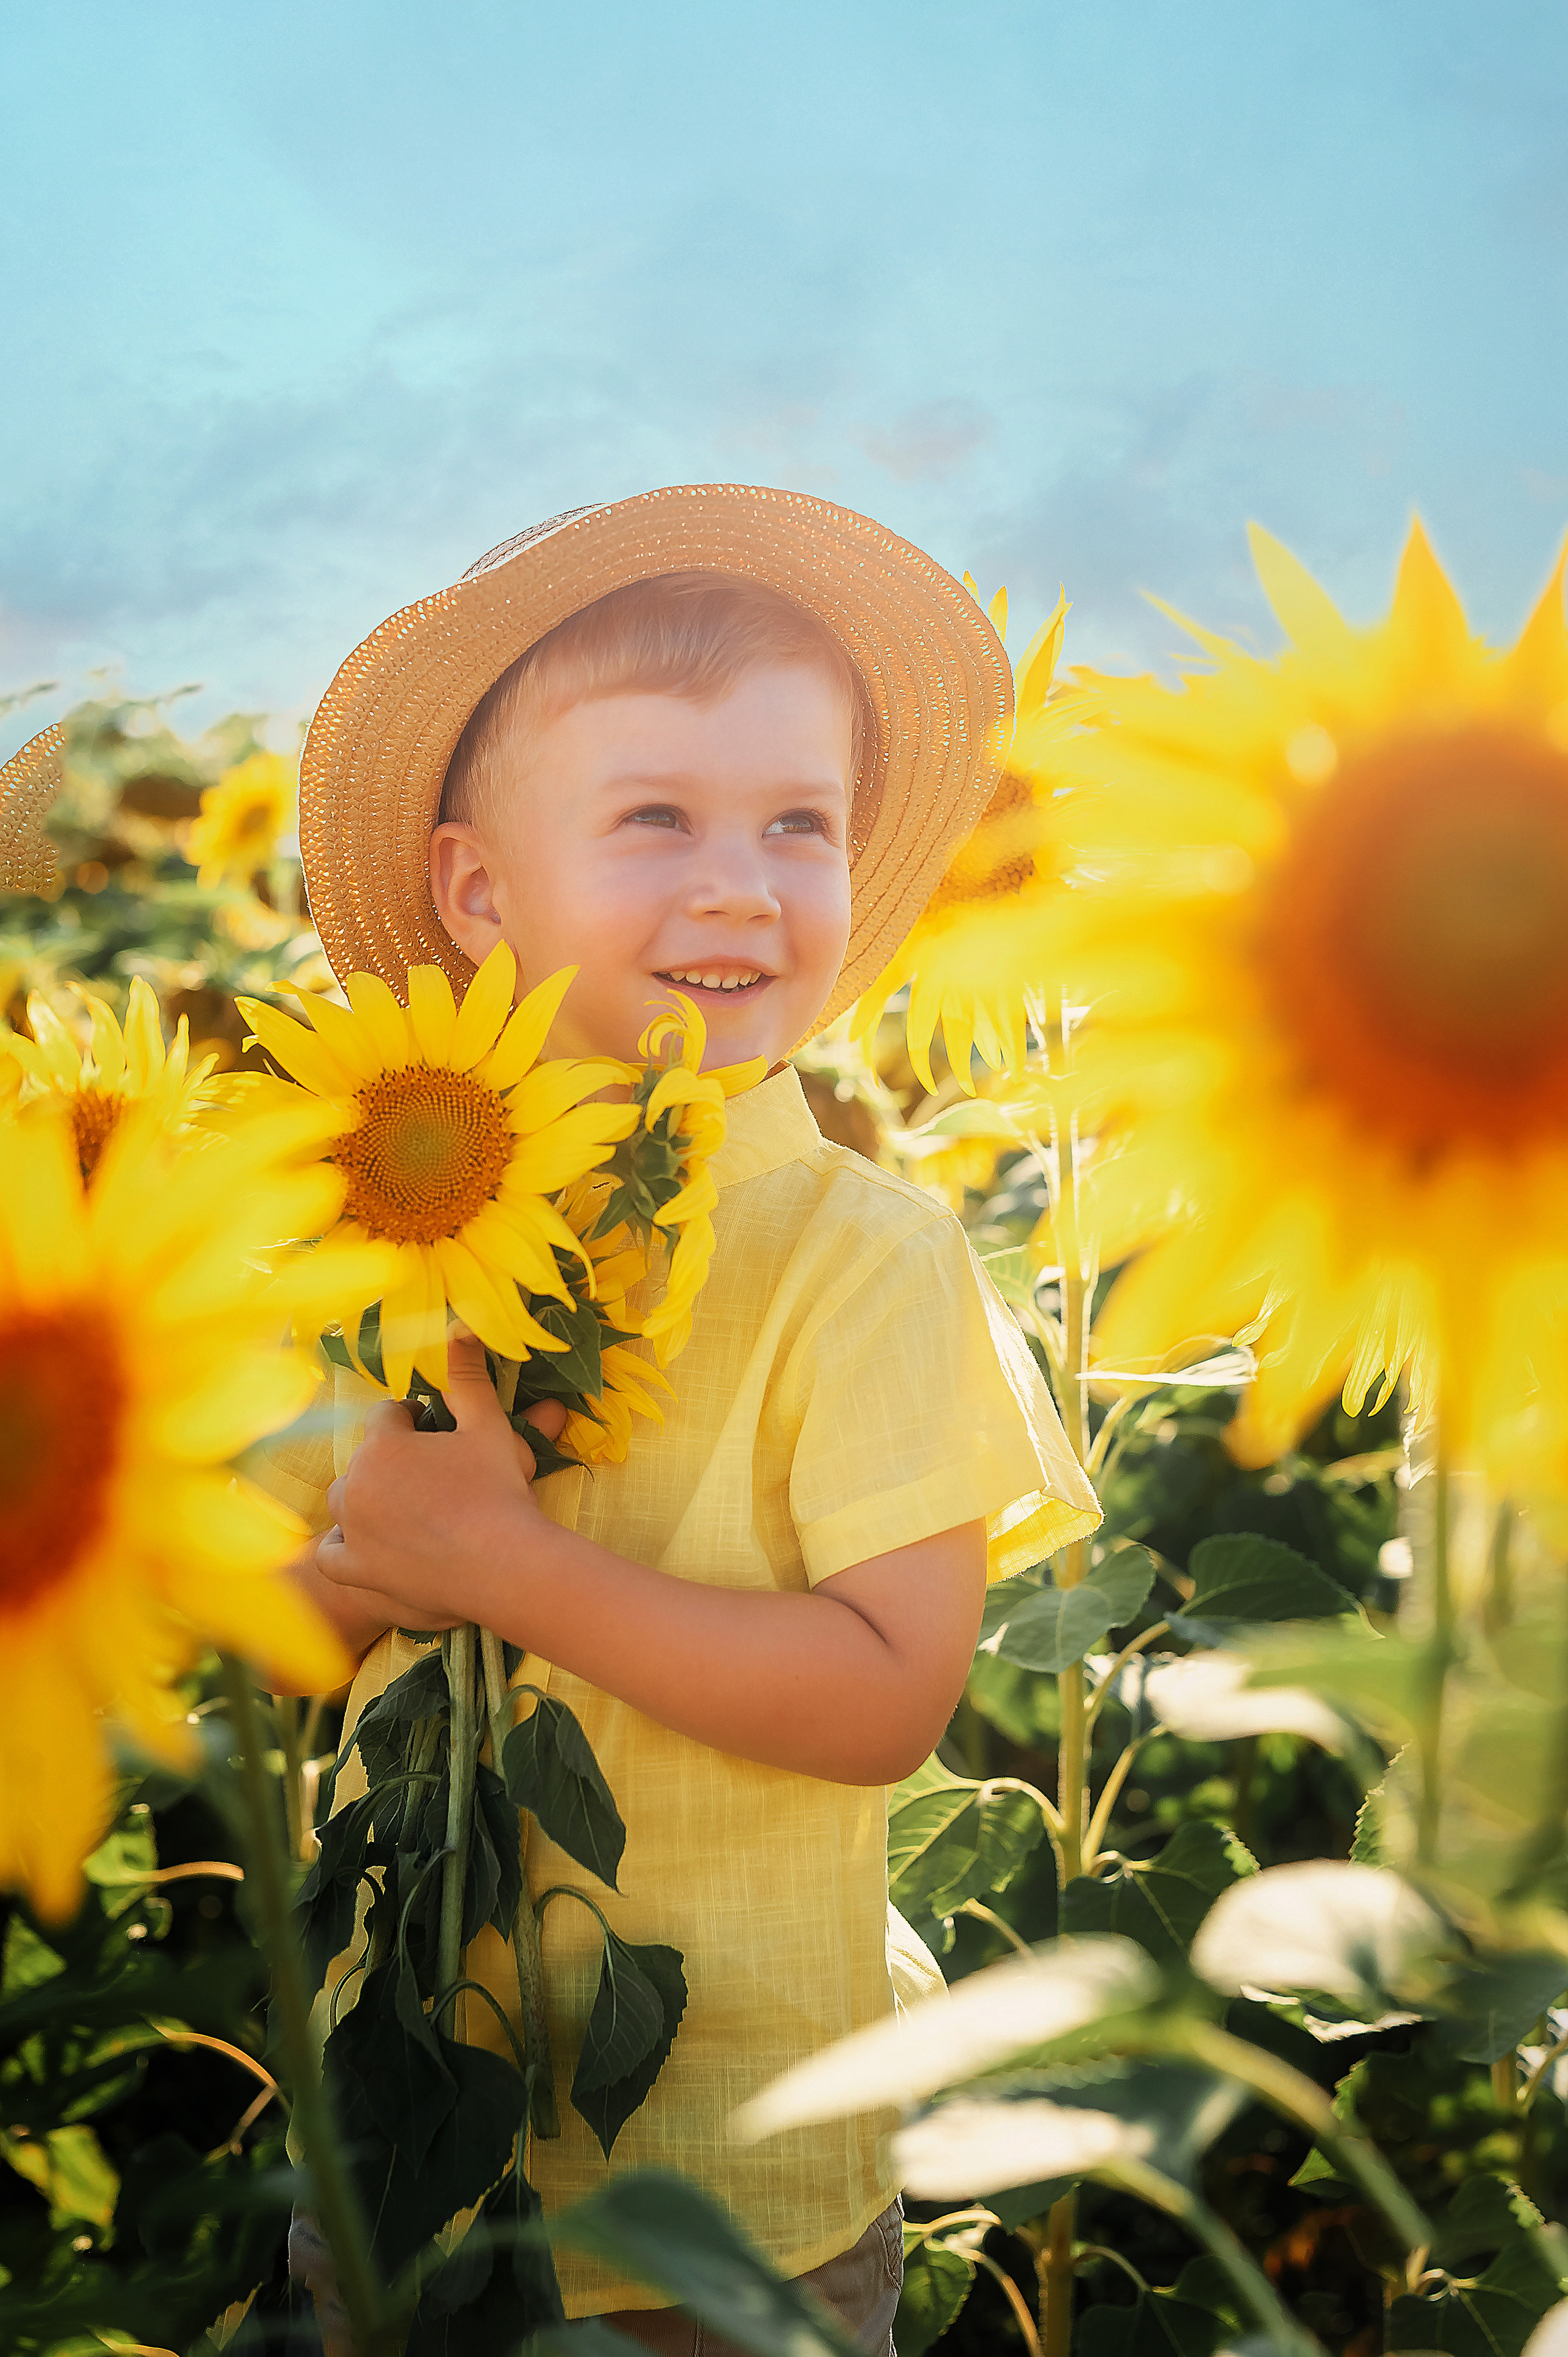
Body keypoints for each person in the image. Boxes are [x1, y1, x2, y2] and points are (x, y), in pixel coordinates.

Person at [256, 486, 1101, 2353]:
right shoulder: (399, 1215)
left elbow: (887, 1697)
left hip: (733, 2212)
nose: (743, 883)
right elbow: (274, 1646)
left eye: (799, 824)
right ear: (480, 890)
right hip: (394, 2152)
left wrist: (499, 1565)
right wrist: (359, 1577)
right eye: (659, 819)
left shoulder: (862, 1254)